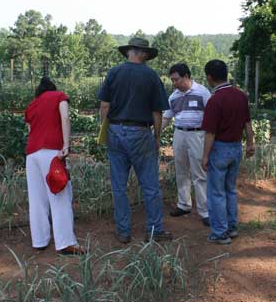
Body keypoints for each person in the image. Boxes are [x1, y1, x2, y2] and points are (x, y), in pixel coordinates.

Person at [99, 37, 172, 244]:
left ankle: (123, 231)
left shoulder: (114, 73)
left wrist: (104, 130)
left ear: (129, 52)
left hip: (115, 131)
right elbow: (157, 112)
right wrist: (156, 137)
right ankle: (154, 230)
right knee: (149, 185)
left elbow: (105, 105)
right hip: (140, 133)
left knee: (119, 186)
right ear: (144, 53)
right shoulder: (150, 76)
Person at [24, 76, 83, 255]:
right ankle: (65, 243)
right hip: (52, 152)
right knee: (60, 195)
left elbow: (30, 130)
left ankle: (39, 240)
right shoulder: (59, 96)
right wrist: (66, 144)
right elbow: (64, 118)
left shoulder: (31, 106)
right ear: (53, 88)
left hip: (32, 154)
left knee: (36, 199)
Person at [201, 59, 255, 244]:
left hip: (220, 148)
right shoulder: (241, 96)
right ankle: (232, 227)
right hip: (236, 148)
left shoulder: (215, 100)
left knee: (216, 193)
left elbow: (210, 133)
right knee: (230, 190)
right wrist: (250, 144)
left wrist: (205, 156)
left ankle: (219, 233)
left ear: (209, 77)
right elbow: (248, 123)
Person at [162, 63, 211, 226]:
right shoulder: (173, 97)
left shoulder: (202, 92)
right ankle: (184, 205)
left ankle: (205, 211)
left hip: (198, 134)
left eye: (176, 80)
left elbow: (212, 115)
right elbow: (166, 117)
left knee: (199, 173)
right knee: (181, 170)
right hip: (179, 134)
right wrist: (155, 133)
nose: (174, 83)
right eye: (172, 80)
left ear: (186, 77)